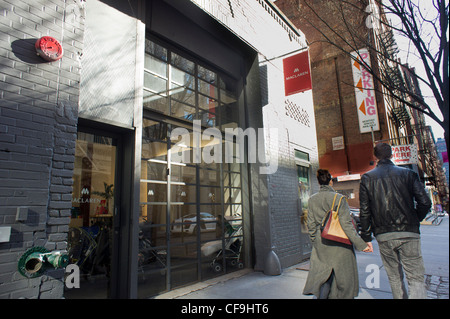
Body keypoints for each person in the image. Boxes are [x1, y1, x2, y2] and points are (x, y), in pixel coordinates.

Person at [359, 143, 432, 299]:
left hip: (384, 234)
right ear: (392, 155)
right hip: (409, 233)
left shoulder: (367, 178)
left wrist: (366, 237)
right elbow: (425, 202)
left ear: (374, 157)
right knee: (415, 277)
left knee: (394, 276)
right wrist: (414, 219)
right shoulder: (408, 174)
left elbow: (365, 210)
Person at [303, 169, 372, 299]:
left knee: (323, 276)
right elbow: (347, 225)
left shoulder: (312, 200)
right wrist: (361, 244)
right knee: (344, 280)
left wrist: (315, 242)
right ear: (331, 182)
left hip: (321, 242)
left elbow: (311, 225)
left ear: (319, 183)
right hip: (340, 243)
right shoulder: (339, 199)